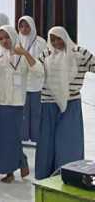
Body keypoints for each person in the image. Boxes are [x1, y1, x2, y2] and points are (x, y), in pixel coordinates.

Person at [35, 26, 94, 180]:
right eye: (52, 39)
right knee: (47, 142)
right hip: (48, 102)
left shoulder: (79, 54)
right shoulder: (46, 54)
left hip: (71, 103)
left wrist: (83, 58)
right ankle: (46, 176)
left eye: (59, 38)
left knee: (68, 141)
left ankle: (68, 175)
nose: (56, 42)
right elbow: (35, 71)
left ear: (65, 37)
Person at [0, 25, 42, 183]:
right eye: (1, 38)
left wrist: (25, 53)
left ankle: (16, 165)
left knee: (13, 137)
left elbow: (39, 72)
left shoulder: (22, 55)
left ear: (13, 36)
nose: (4, 41)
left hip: (16, 103)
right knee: (1, 138)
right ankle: (10, 169)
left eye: (7, 37)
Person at [18, 15, 46, 143]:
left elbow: (44, 61)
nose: (24, 29)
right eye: (21, 26)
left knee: (36, 112)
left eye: (27, 26)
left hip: (36, 83)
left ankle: (36, 137)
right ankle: (23, 137)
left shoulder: (41, 42)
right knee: (23, 112)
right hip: (21, 83)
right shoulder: (16, 41)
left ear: (32, 27)